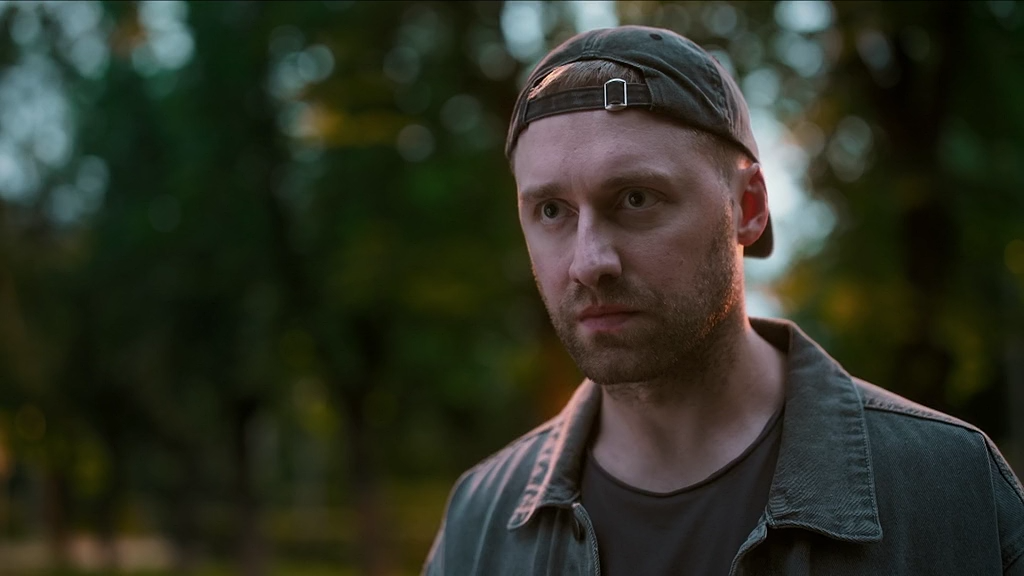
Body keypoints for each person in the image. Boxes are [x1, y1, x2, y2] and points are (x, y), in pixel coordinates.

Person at [422, 25, 1024, 576]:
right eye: (552, 211)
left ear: (749, 207)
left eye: (636, 198)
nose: (588, 262)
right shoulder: (482, 520)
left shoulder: (950, 490)